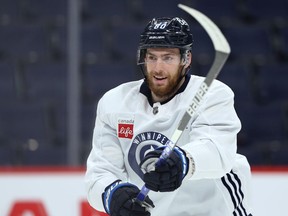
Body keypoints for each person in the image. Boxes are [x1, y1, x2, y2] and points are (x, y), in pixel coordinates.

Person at [85, 16, 253, 216]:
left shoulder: (211, 94)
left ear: (186, 59)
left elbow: (217, 151)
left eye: (168, 57)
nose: (158, 68)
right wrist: (112, 194)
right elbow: (100, 172)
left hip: (214, 210)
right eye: (152, 57)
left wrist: (183, 161)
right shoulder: (115, 103)